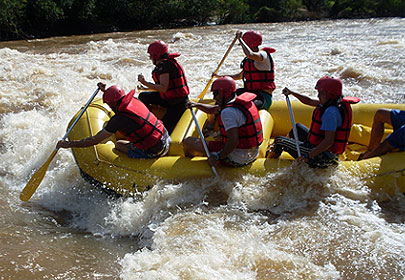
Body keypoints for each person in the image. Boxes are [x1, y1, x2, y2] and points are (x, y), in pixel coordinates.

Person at [57, 83, 170, 159]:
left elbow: (94, 140)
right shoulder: (134, 100)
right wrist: (105, 91)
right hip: (165, 137)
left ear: (111, 104)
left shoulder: (118, 120)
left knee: (119, 144)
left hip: (157, 150)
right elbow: (116, 98)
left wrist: (69, 144)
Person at [268, 76, 359, 168]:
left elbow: (329, 141)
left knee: (279, 141)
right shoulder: (334, 103)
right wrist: (292, 93)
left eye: (321, 93)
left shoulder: (330, 113)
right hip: (322, 149)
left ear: (329, 95)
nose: (318, 95)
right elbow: (309, 101)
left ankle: (269, 163)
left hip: (323, 157)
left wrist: (308, 156)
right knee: (297, 128)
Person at [183, 76, 263, 167]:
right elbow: (214, 110)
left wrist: (218, 157)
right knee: (218, 137)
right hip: (252, 154)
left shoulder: (228, 112)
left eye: (216, 93)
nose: (214, 97)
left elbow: (233, 141)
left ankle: (188, 166)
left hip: (237, 158)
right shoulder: (238, 102)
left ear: (224, 93)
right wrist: (196, 105)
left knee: (188, 141)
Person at [214, 30, 276, 110]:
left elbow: (250, 54)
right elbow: (239, 76)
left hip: (263, 97)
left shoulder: (263, 55)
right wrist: (219, 77)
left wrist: (240, 39)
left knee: (242, 106)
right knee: (224, 98)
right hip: (249, 93)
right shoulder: (249, 60)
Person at [138, 40, 190, 134]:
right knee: (143, 96)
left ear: (156, 56)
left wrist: (144, 82)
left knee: (163, 130)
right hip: (170, 98)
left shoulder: (164, 66)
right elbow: (165, 87)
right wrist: (146, 88)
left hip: (177, 103)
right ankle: (148, 119)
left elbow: (163, 88)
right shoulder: (168, 63)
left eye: (150, 56)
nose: (150, 58)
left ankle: (153, 124)